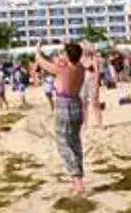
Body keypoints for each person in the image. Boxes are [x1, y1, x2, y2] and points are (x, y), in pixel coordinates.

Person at [36, 42, 87, 197]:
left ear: (67, 55)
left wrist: (38, 49)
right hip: (77, 104)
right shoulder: (80, 68)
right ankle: (76, 179)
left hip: (65, 105)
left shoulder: (63, 69)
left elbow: (41, 62)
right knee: (74, 142)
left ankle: (77, 181)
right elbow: (73, 57)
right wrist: (66, 49)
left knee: (64, 143)